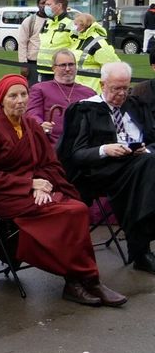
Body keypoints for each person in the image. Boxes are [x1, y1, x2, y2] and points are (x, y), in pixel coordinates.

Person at [0, 75, 127, 306]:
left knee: (78, 208)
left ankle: (81, 280)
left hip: (40, 190)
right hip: (6, 196)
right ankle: (83, 280)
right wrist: (29, 184)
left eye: (24, 94)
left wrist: (43, 183)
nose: (20, 100)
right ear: (1, 100)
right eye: (13, 96)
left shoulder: (32, 126)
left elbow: (50, 163)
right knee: (70, 213)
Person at [58, 61, 155, 273]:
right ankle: (141, 250)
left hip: (139, 166)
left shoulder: (135, 106)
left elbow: (152, 137)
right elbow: (75, 153)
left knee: (147, 165)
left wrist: (144, 149)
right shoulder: (85, 109)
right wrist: (104, 149)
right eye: (116, 88)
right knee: (148, 167)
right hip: (102, 169)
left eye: (125, 88)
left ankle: (140, 249)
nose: (122, 94)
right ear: (102, 84)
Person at [27, 48, 94, 145]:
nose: (67, 69)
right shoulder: (39, 89)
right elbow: (32, 114)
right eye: (63, 65)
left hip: (81, 147)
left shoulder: (89, 93)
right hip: (52, 146)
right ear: (54, 68)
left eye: (71, 64)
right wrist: (41, 125)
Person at [69, 13, 120, 93]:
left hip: (92, 89)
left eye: (75, 24)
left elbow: (113, 67)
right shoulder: (79, 40)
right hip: (78, 88)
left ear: (83, 25)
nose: (73, 26)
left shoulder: (97, 42)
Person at [37, 0, 76, 81]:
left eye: (49, 4)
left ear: (59, 6)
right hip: (43, 71)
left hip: (60, 73)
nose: (45, 7)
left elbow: (76, 49)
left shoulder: (71, 24)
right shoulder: (48, 22)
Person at [17, 0, 48, 86]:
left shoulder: (54, 21)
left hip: (49, 64)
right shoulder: (30, 21)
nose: (45, 6)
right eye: (42, 3)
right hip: (33, 63)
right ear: (38, 5)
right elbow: (22, 43)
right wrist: (23, 64)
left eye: (47, 4)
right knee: (34, 90)